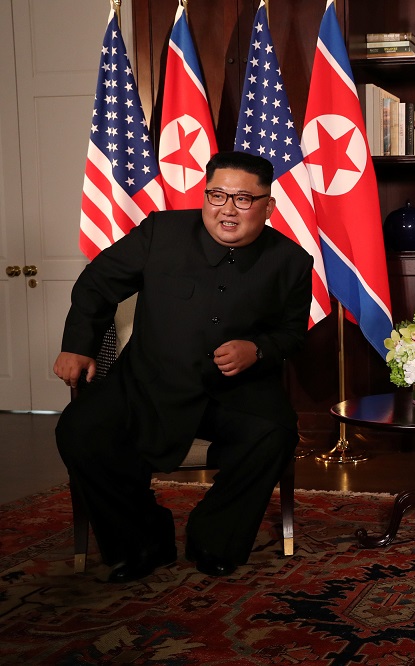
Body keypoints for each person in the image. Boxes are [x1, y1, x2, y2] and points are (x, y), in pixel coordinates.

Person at [55, 151, 312, 583]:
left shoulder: (292, 261)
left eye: (243, 199)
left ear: (269, 206)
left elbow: (292, 333)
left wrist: (258, 349)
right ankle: (141, 541)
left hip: (233, 389)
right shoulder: (161, 232)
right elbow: (97, 284)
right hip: (149, 379)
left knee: (275, 433)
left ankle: (214, 539)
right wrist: (79, 346)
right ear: (205, 193)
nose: (227, 209)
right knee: (80, 431)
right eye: (217, 194)